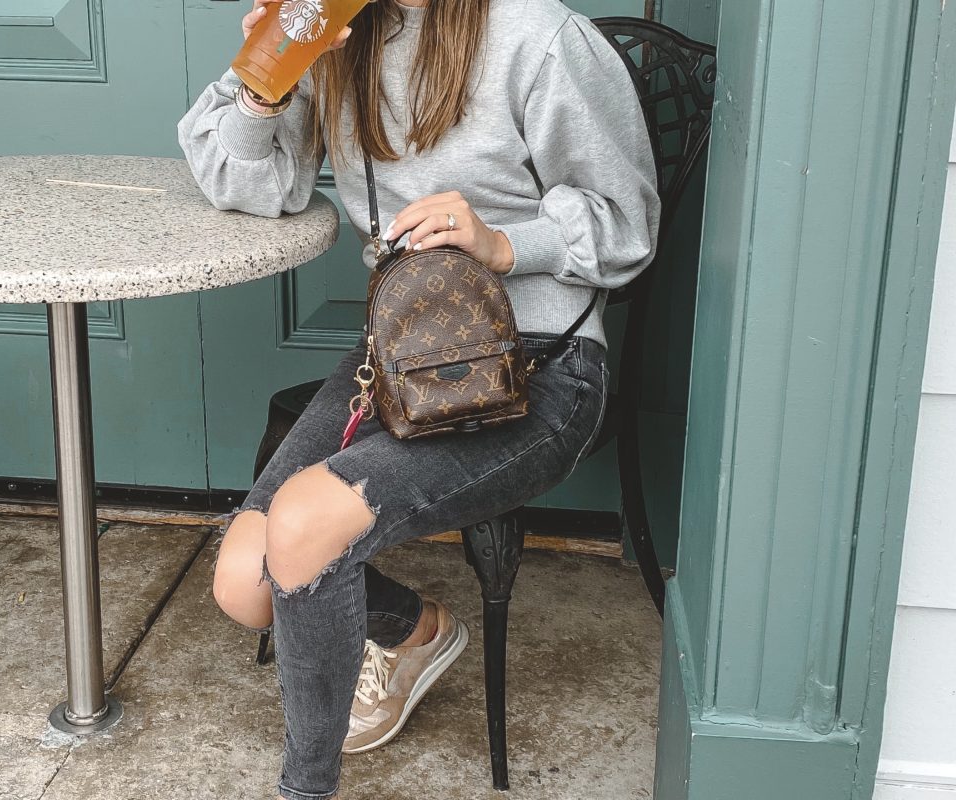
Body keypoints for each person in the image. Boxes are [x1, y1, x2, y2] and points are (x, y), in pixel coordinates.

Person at [179, 0, 659, 796]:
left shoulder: (537, 35)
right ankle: (415, 633)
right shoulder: (332, 32)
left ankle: (306, 788)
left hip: (540, 365)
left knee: (303, 522)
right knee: (244, 580)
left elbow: (628, 220)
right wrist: (267, 81)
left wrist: (506, 244)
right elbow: (246, 185)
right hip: (407, 358)